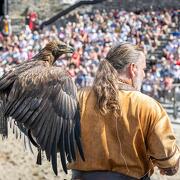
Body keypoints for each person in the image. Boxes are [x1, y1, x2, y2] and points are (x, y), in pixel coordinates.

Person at [68, 42, 180, 180]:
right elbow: (170, 164)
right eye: (143, 69)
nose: (144, 74)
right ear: (133, 69)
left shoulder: (80, 97)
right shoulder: (147, 105)